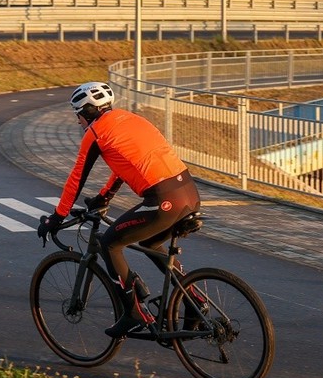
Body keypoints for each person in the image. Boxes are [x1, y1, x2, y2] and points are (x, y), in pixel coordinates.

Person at [37, 81, 202, 338]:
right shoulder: (132, 119)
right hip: (189, 193)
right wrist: (104, 197)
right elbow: (125, 165)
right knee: (149, 243)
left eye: (78, 115)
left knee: (110, 245)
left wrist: (57, 217)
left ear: (88, 111)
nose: (78, 121)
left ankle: (134, 312)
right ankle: (194, 302)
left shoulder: (96, 133)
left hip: (163, 200)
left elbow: (76, 178)